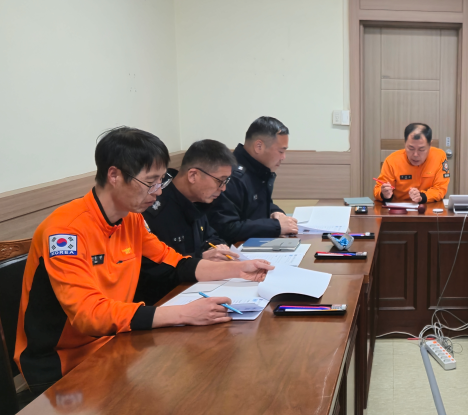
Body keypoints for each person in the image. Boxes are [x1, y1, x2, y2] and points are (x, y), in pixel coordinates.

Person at [15, 127, 274, 393]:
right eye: (151, 182)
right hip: (61, 363)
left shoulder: (131, 219)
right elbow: (88, 315)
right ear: (114, 175)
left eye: (161, 181)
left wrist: (238, 269)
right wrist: (184, 313)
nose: (158, 192)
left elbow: (175, 262)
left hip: (114, 342)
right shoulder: (65, 232)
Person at [136, 139, 241, 305]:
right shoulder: (152, 208)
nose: (223, 188)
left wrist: (218, 249)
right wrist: (199, 259)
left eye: (226, 181)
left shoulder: (198, 200)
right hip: (162, 301)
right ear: (193, 175)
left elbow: (211, 237)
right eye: (220, 181)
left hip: (195, 288)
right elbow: (152, 271)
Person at [208, 116, 297, 243]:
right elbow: (226, 228)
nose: (283, 157)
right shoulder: (231, 176)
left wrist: (276, 213)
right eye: (281, 151)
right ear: (258, 146)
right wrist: (276, 227)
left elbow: (259, 205)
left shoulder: (258, 170)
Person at [374, 123, 450, 203]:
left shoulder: (439, 156)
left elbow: (440, 188)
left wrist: (422, 197)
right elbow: (378, 189)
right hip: (399, 207)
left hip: (428, 206)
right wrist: (384, 194)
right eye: (411, 148)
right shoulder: (392, 161)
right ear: (405, 143)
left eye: (421, 149)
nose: (415, 154)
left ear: (430, 144)